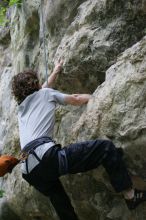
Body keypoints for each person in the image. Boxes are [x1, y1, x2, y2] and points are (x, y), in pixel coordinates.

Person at [11, 60, 146, 220]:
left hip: (28, 170)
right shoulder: (44, 94)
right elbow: (74, 99)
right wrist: (96, 97)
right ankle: (130, 195)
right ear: (35, 84)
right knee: (105, 148)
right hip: (46, 157)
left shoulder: (21, 108)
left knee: (62, 206)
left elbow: (43, 89)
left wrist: (55, 71)